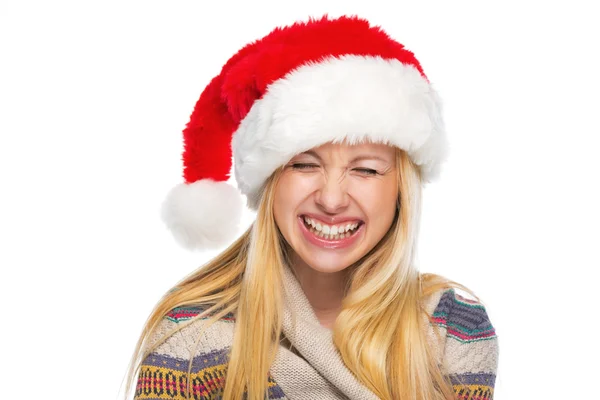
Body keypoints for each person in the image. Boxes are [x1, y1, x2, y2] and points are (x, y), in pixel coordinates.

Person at [126, 15, 499, 400]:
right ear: (270, 182)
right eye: (304, 164)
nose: (332, 199)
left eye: (366, 169)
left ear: (401, 189)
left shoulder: (452, 331)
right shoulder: (191, 336)